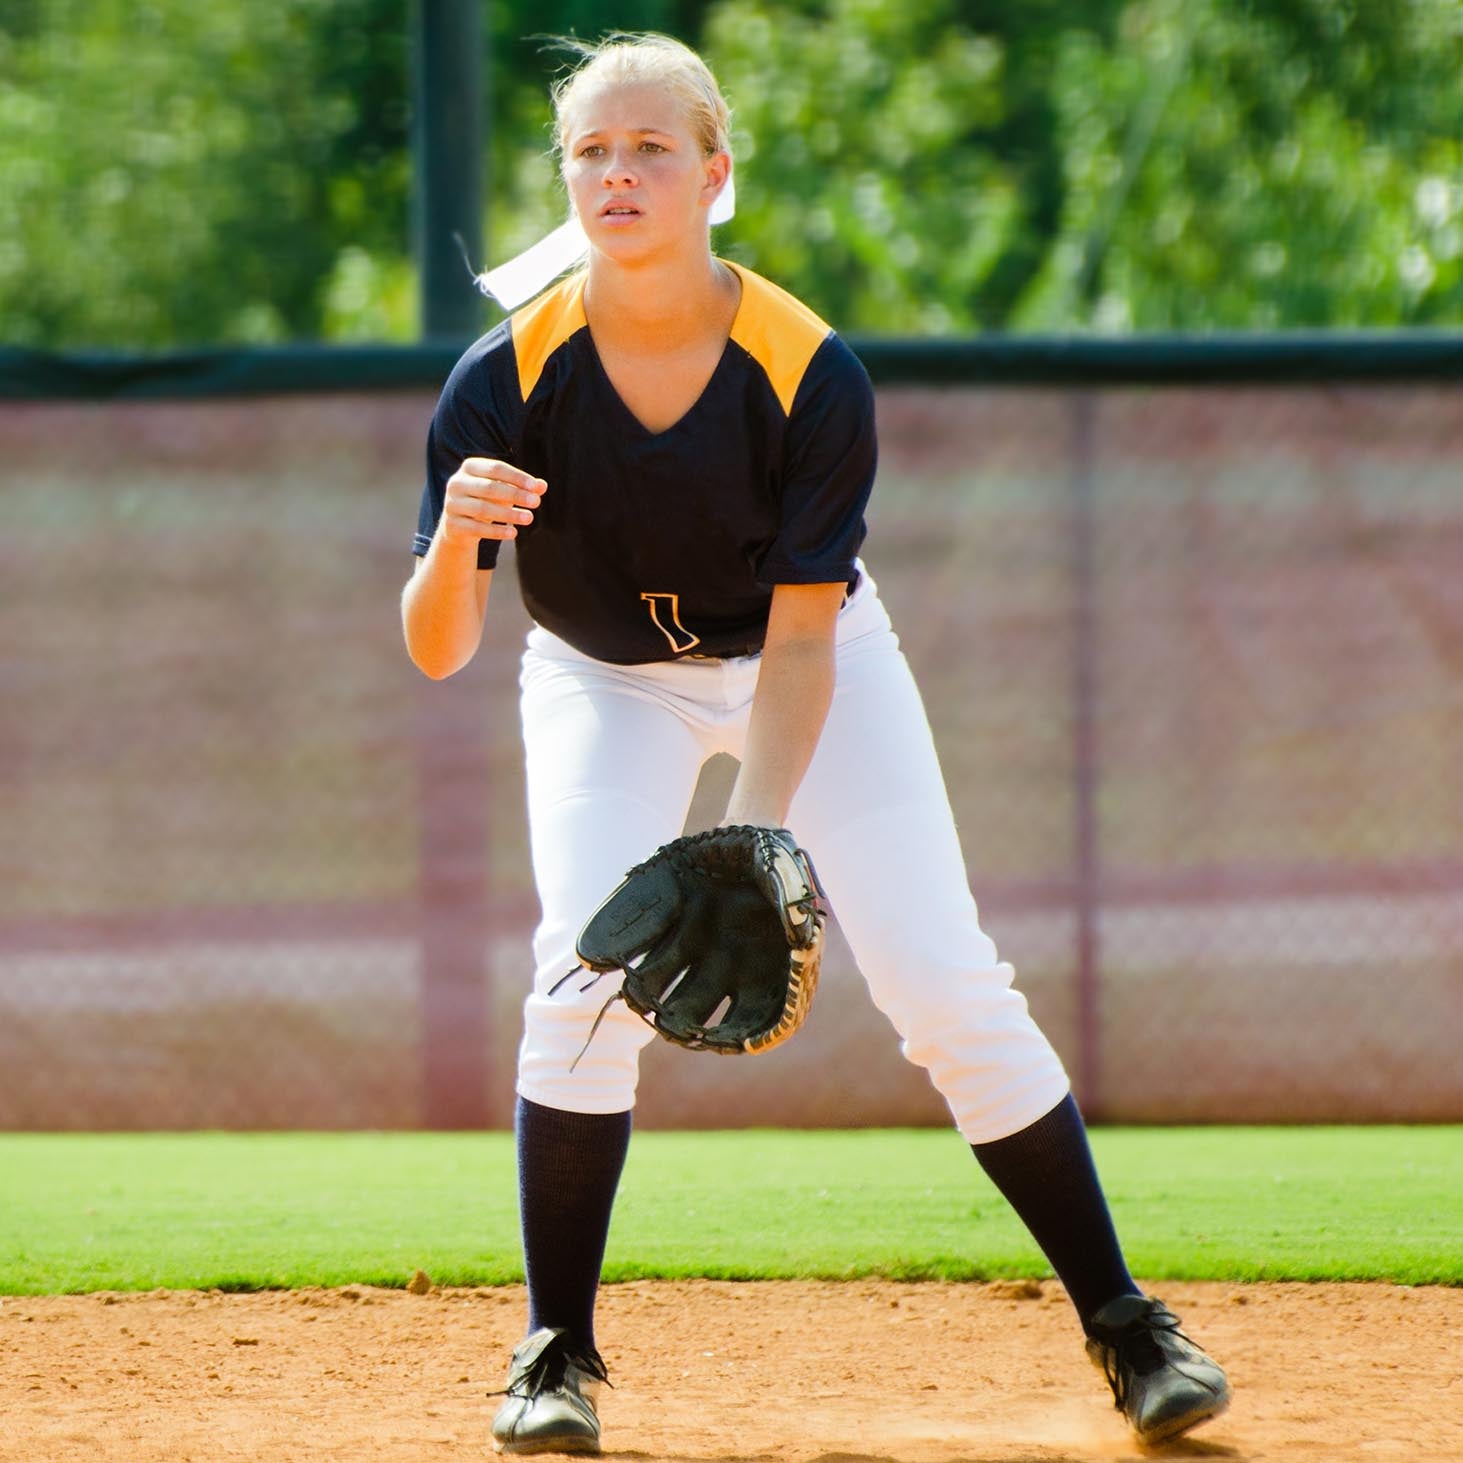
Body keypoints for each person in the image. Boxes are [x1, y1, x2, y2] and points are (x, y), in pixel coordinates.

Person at [402, 32, 1230, 1457]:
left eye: (653, 147)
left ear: (716, 176)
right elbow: (437, 646)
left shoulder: (804, 369)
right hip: (604, 680)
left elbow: (796, 642)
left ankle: (1127, 1326)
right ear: (567, 181)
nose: (619, 173)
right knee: (576, 981)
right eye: (591, 152)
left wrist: (753, 833)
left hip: (812, 655)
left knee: (945, 983)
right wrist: (452, 546)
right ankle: (554, 1354)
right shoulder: (504, 376)